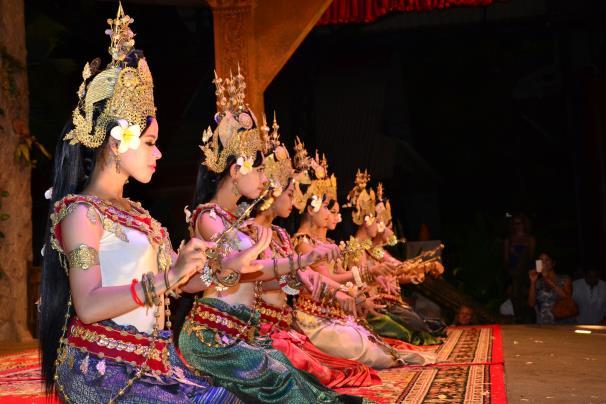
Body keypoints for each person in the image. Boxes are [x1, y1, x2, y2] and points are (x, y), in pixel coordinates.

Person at [38, 5, 239, 402]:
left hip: (149, 362)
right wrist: (168, 276)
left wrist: (213, 267)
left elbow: (178, 287)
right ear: (117, 143)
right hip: (101, 368)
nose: (159, 153)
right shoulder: (82, 214)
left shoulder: (138, 216)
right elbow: (89, 304)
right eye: (149, 143)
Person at [173, 71, 360, 403]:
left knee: (308, 386)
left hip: (243, 333)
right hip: (213, 338)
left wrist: (304, 260)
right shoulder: (208, 218)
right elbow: (236, 267)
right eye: (258, 171)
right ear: (235, 171)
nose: (264, 180)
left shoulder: (241, 223)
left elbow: (261, 269)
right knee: (287, 385)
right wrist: (262, 249)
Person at [245, 119, 380, 388]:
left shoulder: (281, 235)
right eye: (290, 191)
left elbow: (308, 275)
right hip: (267, 330)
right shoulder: (249, 235)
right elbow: (272, 278)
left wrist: (345, 291)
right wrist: (347, 284)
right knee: (331, 373)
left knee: (355, 361)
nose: (295, 200)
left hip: (289, 326)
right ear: (272, 191)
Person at [291, 142, 435, 368]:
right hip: (316, 315)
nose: (384, 227)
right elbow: (328, 280)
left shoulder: (333, 243)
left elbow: (385, 267)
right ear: (311, 209)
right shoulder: (306, 244)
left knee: (383, 340)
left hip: (340, 309)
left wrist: (417, 268)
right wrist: (366, 277)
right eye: (330, 209)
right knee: (376, 345)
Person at [528, 252, 573, 324]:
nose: (543, 263)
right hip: (543, 323)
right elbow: (531, 303)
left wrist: (547, 279)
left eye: (547, 260)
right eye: (541, 260)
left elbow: (567, 298)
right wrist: (533, 282)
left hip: (562, 323)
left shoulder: (565, 279)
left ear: (553, 263)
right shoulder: (538, 282)